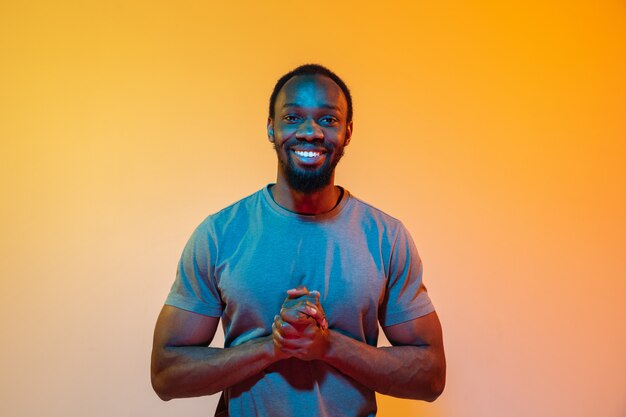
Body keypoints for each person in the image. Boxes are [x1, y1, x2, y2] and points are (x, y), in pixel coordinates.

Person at [151, 64, 446, 416]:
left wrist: (328, 346)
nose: (310, 132)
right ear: (271, 128)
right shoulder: (220, 233)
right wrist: (273, 347)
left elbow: (430, 377)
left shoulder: (386, 237)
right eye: (292, 118)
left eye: (328, 120)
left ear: (347, 132)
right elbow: (167, 374)